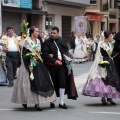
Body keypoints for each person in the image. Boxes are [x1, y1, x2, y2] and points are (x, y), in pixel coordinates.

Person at [11, 26, 56, 111]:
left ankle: (38, 103)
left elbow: (40, 53)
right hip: (29, 63)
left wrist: (47, 56)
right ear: (32, 32)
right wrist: (29, 64)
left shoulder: (38, 41)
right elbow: (24, 54)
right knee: (28, 83)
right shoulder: (26, 41)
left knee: (43, 79)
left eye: (38, 31)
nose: (38, 33)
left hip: (38, 63)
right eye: (36, 31)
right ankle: (25, 101)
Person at [42, 26, 78, 109]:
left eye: (54, 33)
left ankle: (62, 102)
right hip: (51, 66)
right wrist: (54, 60)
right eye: (51, 33)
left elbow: (66, 52)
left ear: (58, 33)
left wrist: (68, 61)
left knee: (62, 82)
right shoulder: (47, 42)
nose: (52, 34)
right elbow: (45, 54)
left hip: (61, 65)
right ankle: (51, 101)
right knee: (52, 83)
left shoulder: (61, 41)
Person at [82, 31, 120, 105]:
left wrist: (117, 51)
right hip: (103, 62)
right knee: (103, 79)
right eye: (110, 36)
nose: (112, 37)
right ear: (107, 37)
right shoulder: (101, 44)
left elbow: (111, 54)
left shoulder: (109, 44)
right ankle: (103, 98)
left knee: (111, 79)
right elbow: (100, 54)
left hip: (109, 62)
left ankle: (109, 97)